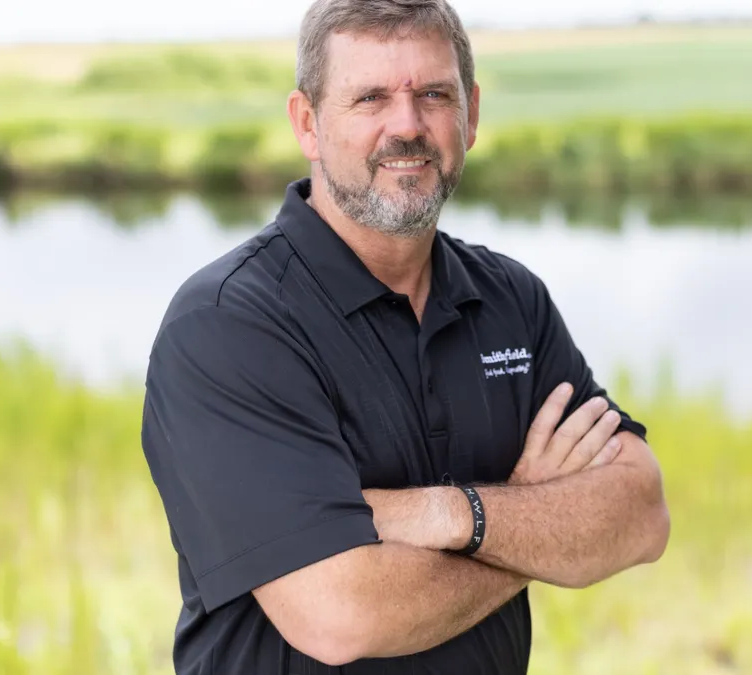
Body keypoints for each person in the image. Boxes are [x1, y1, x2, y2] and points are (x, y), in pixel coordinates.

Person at [139, 1, 670, 672]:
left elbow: (640, 513)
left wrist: (455, 514)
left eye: (434, 95)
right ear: (308, 123)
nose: (408, 125)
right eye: (370, 98)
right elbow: (340, 614)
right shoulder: (229, 325)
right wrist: (532, 517)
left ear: (471, 114)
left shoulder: (510, 300)